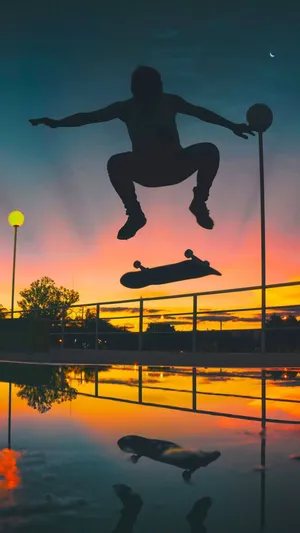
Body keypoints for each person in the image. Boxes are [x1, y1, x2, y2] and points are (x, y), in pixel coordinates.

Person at [29, 66, 254, 240]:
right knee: (115, 162)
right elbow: (88, 117)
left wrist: (231, 125)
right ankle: (135, 214)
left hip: (175, 165)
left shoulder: (169, 101)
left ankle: (199, 202)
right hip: (147, 170)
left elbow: (201, 113)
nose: (152, 94)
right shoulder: (126, 108)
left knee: (209, 150)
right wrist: (57, 123)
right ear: (137, 89)